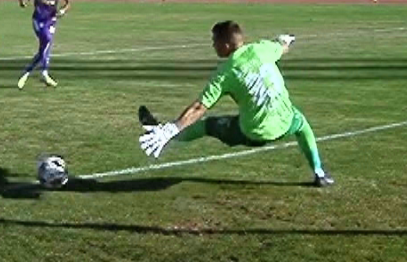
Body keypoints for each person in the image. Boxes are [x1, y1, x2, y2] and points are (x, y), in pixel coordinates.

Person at [137, 21, 332, 187]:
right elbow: (282, 47)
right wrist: (285, 40)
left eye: (215, 41)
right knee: (302, 124)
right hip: (284, 122)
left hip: (253, 132)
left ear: (226, 45)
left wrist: (172, 128)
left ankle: (164, 134)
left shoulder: (225, 72)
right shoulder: (262, 48)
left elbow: (199, 108)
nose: (213, 45)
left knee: (208, 126)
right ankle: (319, 173)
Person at [18, 0, 69, 88]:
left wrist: (63, 9)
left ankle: (36, 73)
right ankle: (36, 72)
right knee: (46, 41)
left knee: (45, 46)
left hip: (51, 20)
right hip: (38, 19)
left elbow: (68, 1)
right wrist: (22, 1)